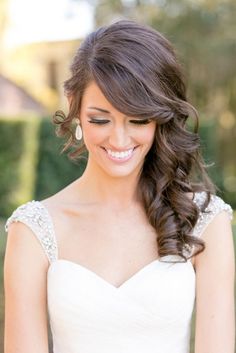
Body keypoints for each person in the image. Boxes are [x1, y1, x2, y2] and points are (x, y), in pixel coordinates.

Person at [3, 19, 235, 353]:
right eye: (101, 119)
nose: (119, 139)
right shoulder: (35, 229)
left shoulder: (205, 219)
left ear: (159, 118)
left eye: (138, 119)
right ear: (74, 105)